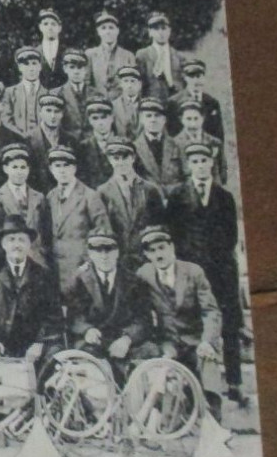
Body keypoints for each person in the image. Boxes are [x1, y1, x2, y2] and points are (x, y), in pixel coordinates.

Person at [165, 143, 245, 405]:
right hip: (191, 273)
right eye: (194, 161)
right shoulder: (178, 196)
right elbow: (173, 235)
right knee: (193, 324)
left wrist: (218, 262)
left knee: (229, 326)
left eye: (204, 160)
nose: (199, 165)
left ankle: (234, 383)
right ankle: (196, 387)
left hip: (222, 272)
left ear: (211, 163)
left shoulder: (224, 197)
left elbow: (231, 236)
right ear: (188, 165)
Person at [134, 224, 224, 412]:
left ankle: (215, 424)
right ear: (147, 256)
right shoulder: (144, 275)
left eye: (162, 248)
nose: (158, 254)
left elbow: (211, 311)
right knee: (160, 379)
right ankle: (171, 416)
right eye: (152, 251)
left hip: (196, 342)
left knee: (208, 365)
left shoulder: (193, 272)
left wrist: (207, 341)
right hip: (169, 343)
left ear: (172, 247)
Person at [0, 219, 60, 381]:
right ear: (3, 244)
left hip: (31, 347)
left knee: (52, 363)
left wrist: (39, 343)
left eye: (22, 240)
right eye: (11, 239)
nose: (16, 245)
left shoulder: (43, 274)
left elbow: (52, 316)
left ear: (29, 245)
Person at [62, 229, 153, 383]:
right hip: (93, 343)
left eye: (109, 250)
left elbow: (144, 319)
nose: (104, 256)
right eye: (98, 250)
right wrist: (87, 330)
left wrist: (127, 339)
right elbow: (74, 315)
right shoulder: (79, 280)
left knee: (149, 356)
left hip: (124, 343)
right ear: (90, 254)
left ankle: (141, 402)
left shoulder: (133, 281)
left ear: (117, 252)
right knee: (86, 366)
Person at [45, 144, 113, 289]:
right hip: (55, 271)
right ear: (51, 169)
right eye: (57, 166)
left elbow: (104, 233)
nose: (62, 170)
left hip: (81, 271)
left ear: (74, 168)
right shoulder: (50, 196)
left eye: (66, 165)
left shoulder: (90, 196)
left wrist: (88, 265)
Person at [95, 138, 166, 266]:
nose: (121, 163)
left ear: (133, 158)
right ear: (110, 160)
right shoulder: (102, 192)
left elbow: (160, 224)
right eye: (116, 158)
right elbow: (103, 229)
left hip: (145, 257)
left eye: (125, 158)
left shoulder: (150, 189)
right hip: (118, 258)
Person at [0, 142, 51, 267]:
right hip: (9, 261)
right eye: (14, 167)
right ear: (5, 168)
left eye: (23, 167)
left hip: (37, 261)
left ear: (28, 169)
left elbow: (46, 232)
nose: (19, 172)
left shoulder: (39, 197)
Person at [28, 92, 80, 193]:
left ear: (62, 114)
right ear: (40, 113)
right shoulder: (29, 140)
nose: (53, 116)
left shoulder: (71, 140)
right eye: (48, 111)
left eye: (57, 111)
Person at [167, 58, 225, 142]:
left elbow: (218, 133)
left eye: (199, 76)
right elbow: (171, 132)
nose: (196, 81)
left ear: (204, 78)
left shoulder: (212, 102)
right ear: (185, 78)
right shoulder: (174, 102)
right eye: (191, 77)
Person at [134, 96, 185, 186]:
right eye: (148, 116)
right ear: (141, 119)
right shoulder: (135, 148)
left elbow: (186, 175)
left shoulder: (177, 144)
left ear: (164, 120)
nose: (153, 120)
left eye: (157, 116)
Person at [1, 46, 49, 141]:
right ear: (20, 67)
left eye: (34, 64)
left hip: (41, 142)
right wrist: (21, 136)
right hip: (17, 141)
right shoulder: (10, 93)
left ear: (40, 66)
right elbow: (6, 119)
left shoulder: (48, 93)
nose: (31, 68)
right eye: (26, 64)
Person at [174, 101, 228, 185]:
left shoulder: (214, 142)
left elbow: (222, 170)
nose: (193, 123)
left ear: (202, 118)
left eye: (196, 118)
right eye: (188, 119)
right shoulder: (174, 143)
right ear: (181, 119)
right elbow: (174, 175)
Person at [135, 11, 184, 102]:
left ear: (169, 31)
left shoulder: (179, 56)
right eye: (156, 29)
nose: (161, 32)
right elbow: (139, 84)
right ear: (150, 32)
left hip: (177, 102)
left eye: (164, 28)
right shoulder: (143, 55)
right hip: (153, 102)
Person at [87, 10, 137, 98]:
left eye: (111, 27)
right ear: (98, 31)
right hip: (97, 105)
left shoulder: (128, 56)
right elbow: (86, 84)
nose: (108, 31)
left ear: (117, 30)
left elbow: (133, 85)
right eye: (103, 28)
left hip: (121, 106)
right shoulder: (90, 54)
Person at [75, 97, 121, 187]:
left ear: (112, 118)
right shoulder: (82, 148)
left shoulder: (122, 145)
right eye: (95, 118)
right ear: (89, 120)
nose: (100, 123)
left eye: (104, 117)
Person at [56, 48, 95, 136]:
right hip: (68, 144)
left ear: (85, 69)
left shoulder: (95, 94)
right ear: (65, 68)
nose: (76, 72)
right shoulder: (57, 94)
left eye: (80, 67)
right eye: (72, 67)